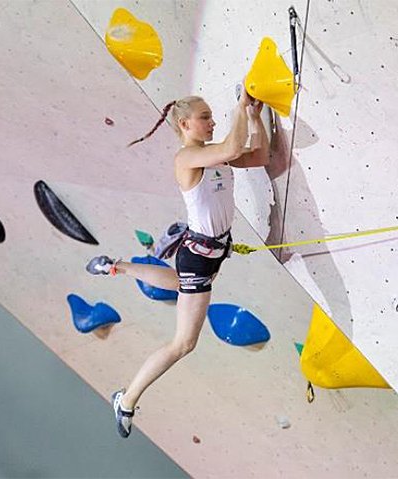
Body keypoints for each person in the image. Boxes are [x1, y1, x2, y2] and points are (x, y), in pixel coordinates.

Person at [86, 88, 269, 438]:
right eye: (205, 117)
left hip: (203, 253)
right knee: (184, 344)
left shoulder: (214, 158)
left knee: (179, 282)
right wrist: (240, 107)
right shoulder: (186, 158)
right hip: (201, 257)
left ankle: (119, 266)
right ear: (185, 124)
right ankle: (126, 399)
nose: (212, 122)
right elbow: (232, 147)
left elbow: (259, 155)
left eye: (213, 116)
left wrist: (254, 117)